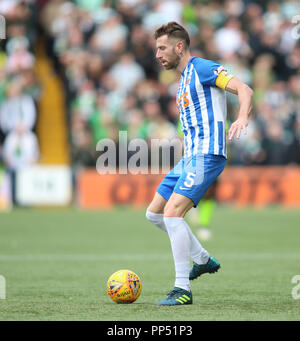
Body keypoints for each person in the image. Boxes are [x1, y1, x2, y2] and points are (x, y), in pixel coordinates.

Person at [145, 22, 253, 306]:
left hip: (208, 154)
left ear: (179, 47)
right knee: (154, 214)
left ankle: (182, 290)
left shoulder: (203, 69)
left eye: (162, 48)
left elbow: (244, 89)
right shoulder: (181, 81)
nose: (157, 54)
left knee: (172, 214)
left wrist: (241, 117)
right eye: (156, 48)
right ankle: (202, 259)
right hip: (189, 156)